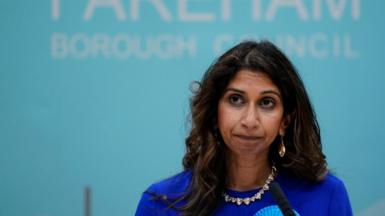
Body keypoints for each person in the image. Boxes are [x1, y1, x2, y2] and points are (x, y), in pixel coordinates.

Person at [135, 40, 352, 216]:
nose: (250, 120)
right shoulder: (162, 203)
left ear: (285, 121)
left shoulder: (327, 195)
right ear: (214, 114)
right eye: (236, 99)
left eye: (266, 102)